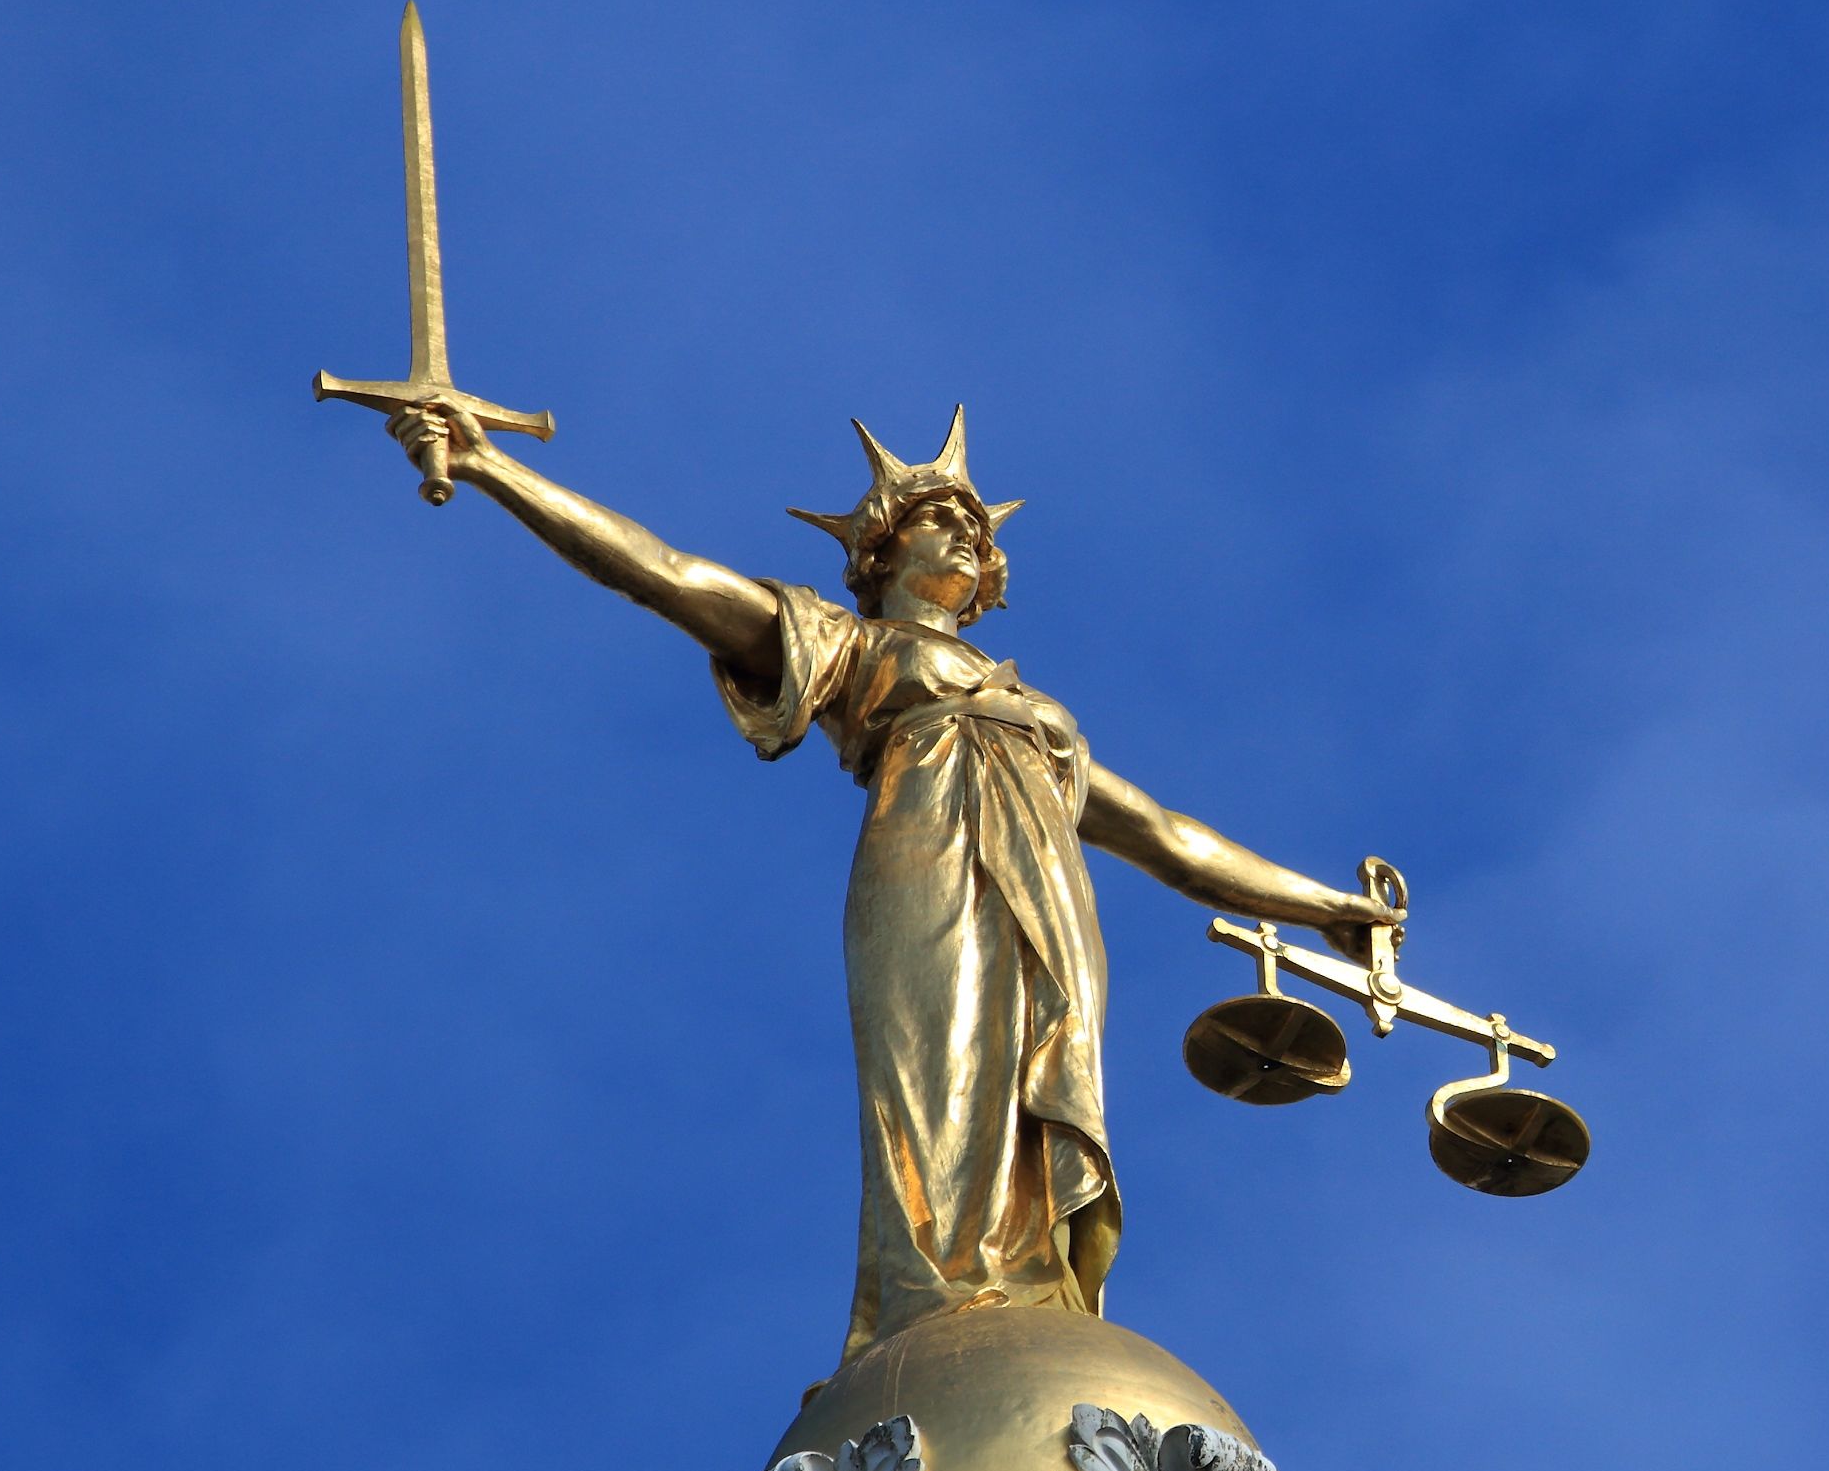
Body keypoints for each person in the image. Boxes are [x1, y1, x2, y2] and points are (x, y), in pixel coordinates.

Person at [386, 400, 1399, 1360]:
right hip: (928, 872)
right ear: (880, 552)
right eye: (937, 520)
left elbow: (1170, 838)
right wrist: (489, 464)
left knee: (1028, 1093)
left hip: (1046, 904)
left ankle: (1028, 1287)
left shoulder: (1038, 715)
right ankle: (935, 1307)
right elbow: (666, 573)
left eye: (974, 527)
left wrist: (1328, 909)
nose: (965, 536)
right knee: (938, 1086)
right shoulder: (852, 647)